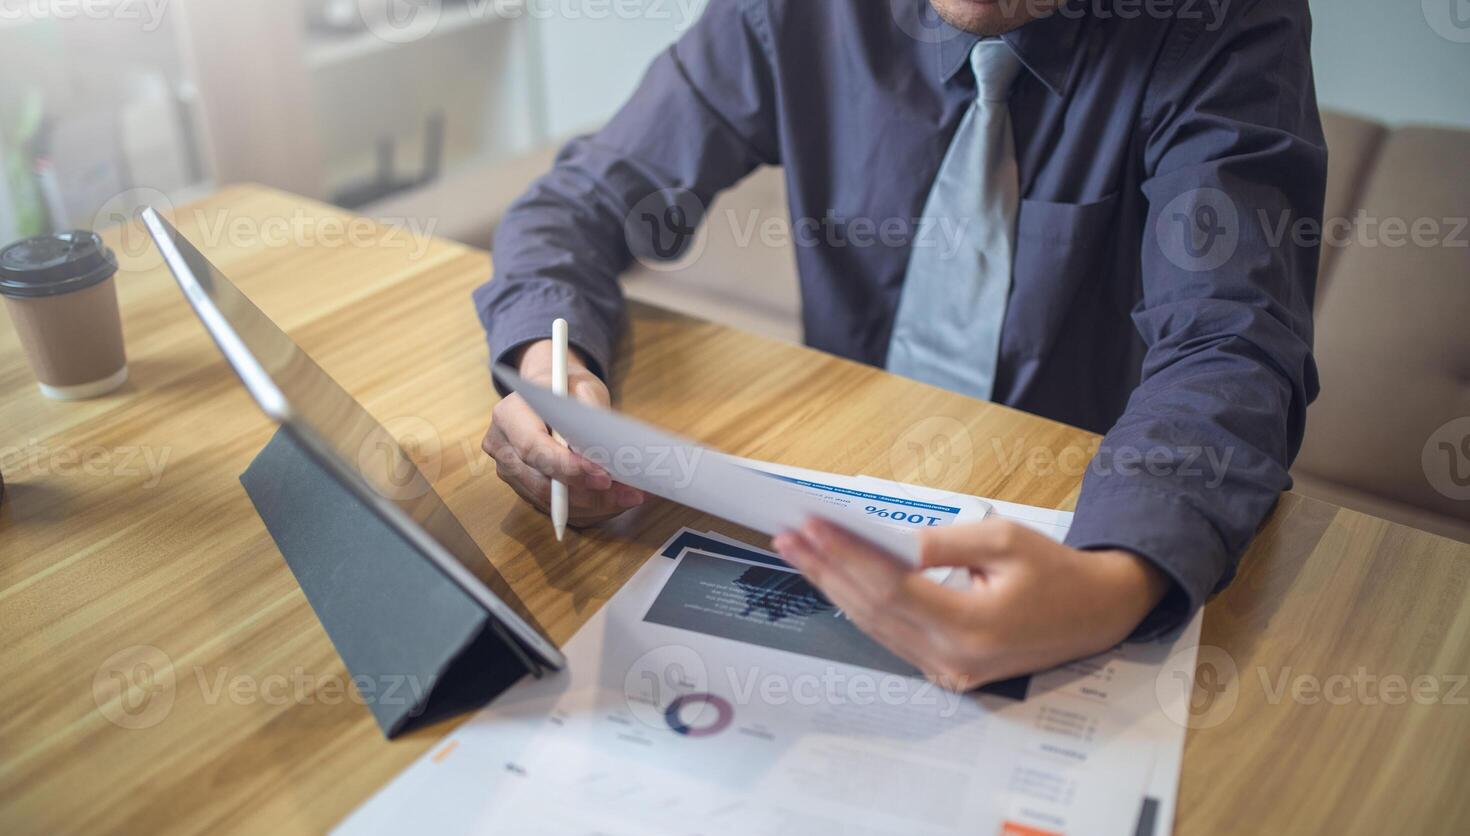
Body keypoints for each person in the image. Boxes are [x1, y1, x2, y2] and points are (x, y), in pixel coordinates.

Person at [476, 0, 1325, 689]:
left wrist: (1111, 585)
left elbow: (1231, 340)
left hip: (1075, 508)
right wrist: (552, 374)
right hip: (845, 485)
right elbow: (580, 206)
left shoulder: (1225, 22)